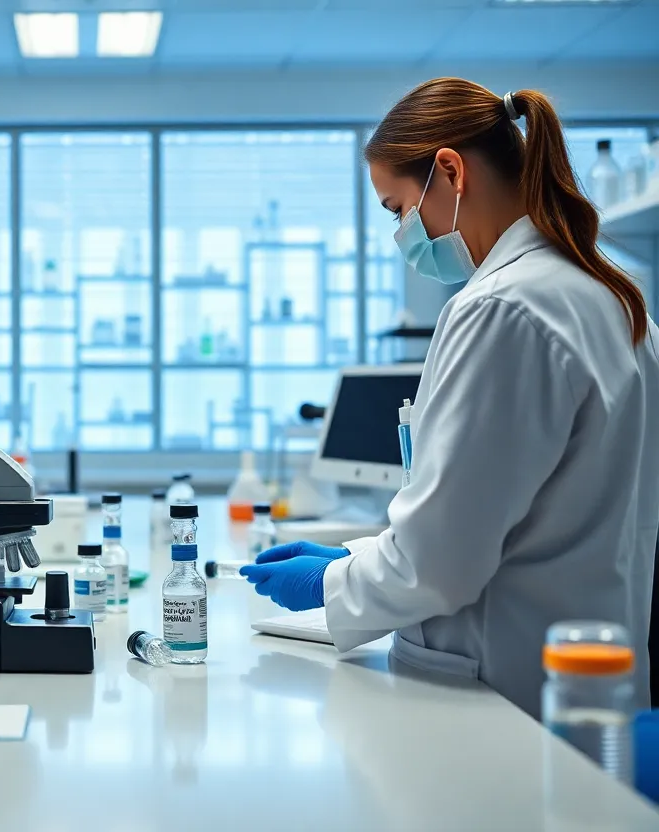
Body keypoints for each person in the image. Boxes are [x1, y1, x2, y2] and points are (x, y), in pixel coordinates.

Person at [241, 78, 659, 717]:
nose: (401, 233)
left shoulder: (500, 309)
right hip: (584, 679)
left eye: (396, 208)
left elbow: (437, 565)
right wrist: (354, 555)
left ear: (450, 171)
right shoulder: (616, 301)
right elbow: (515, 516)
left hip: (497, 690)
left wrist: (330, 582)